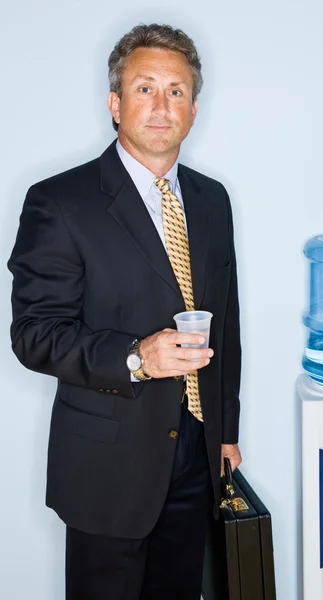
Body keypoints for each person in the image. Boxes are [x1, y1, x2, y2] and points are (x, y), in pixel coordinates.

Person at [8, 23, 242, 600]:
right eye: (145, 89)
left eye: (176, 91)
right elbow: (34, 334)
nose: (161, 105)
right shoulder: (59, 202)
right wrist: (137, 357)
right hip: (106, 466)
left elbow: (227, 321)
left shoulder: (212, 200)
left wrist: (226, 433)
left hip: (196, 453)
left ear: (192, 109)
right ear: (115, 104)